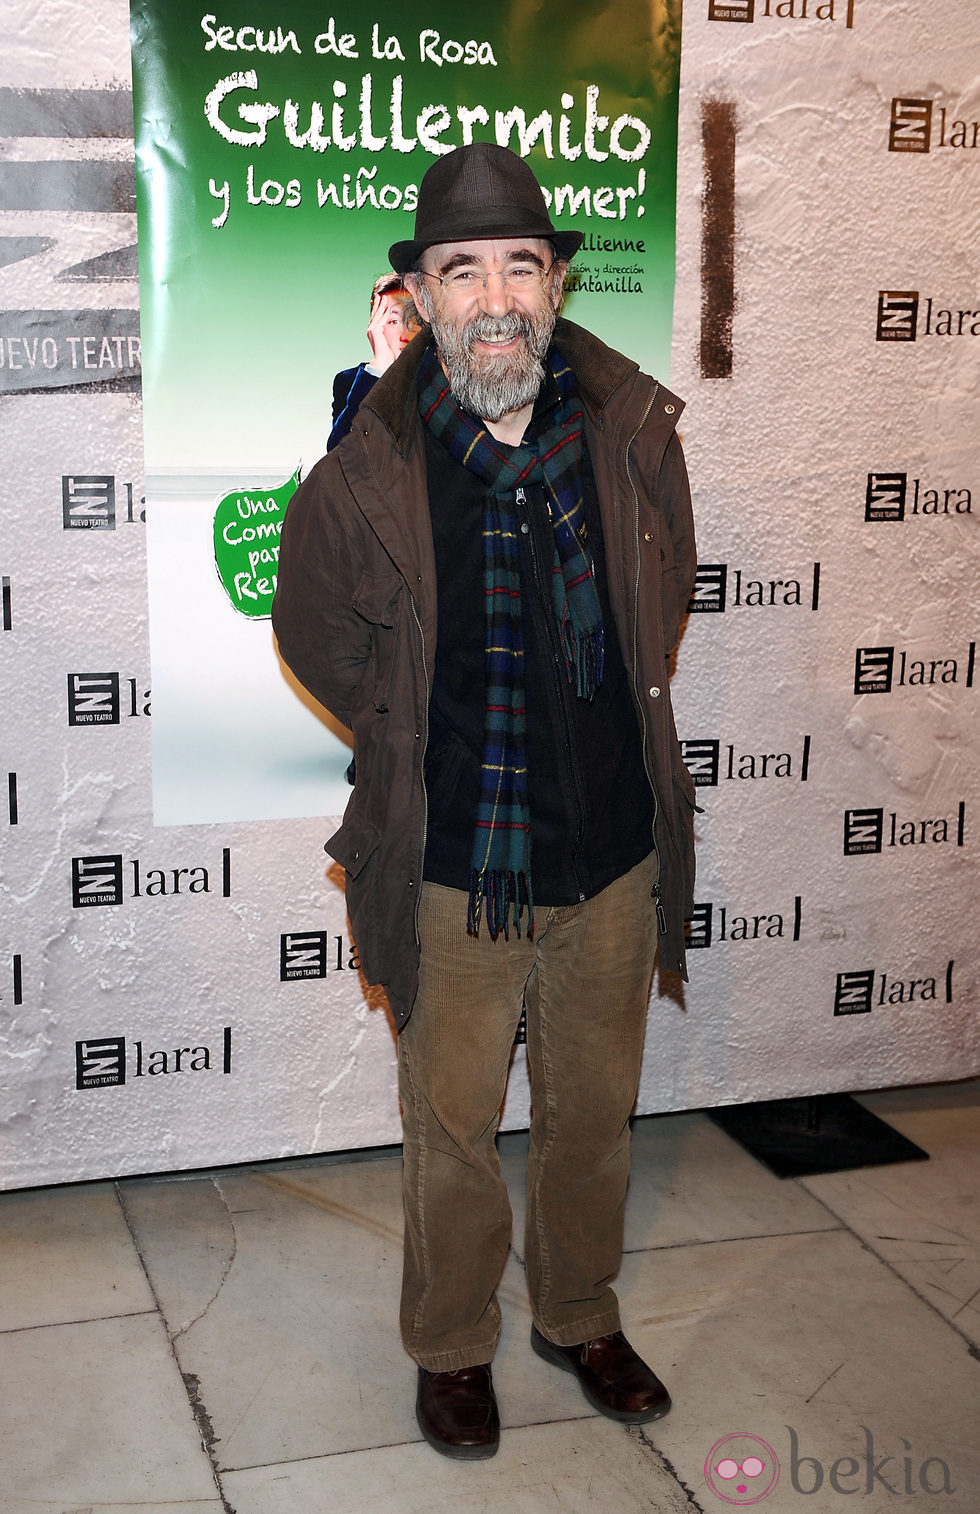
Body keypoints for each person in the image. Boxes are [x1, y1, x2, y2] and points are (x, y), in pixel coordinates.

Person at [273, 142, 697, 1461]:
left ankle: (578, 1311)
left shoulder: (627, 432)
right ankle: (452, 1347)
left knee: (594, 1106)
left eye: (522, 263)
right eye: (465, 269)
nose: (496, 295)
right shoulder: (370, 462)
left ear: (558, 281)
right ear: (424, 292)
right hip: (456, 854)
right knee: (452, 1127)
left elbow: (664, 598)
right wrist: (414, 739)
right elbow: (317, 633)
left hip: (613, 848)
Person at [326, 273, 423, 450]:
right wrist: (378, 373)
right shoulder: (350, 382)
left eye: (414, 319)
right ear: (375, 326)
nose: (405, 334)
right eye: (393, 321)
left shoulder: (447, 379)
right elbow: (339, 456)